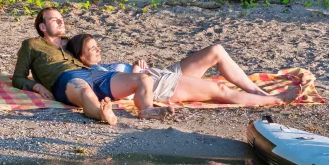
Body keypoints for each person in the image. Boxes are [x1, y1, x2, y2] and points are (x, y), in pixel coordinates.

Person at [11, 7, 167, 125]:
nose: (61, 21)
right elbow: (18, 77)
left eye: (61, 18)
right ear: (42, 27)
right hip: (65, 79)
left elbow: (91, 60)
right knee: (85, 91)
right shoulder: (31, 45)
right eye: (54, 20)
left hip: (92, 73)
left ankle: (146, 110)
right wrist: (39, 87)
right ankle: (102, 114)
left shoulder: (72, 42)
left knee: (143, 78)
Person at [65, 33, 301, 108]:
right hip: (160, 86)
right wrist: (134, 73)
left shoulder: (103, 66)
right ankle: (274, 100)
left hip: (163, 73)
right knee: (218, 88)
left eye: (97, 46)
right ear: (81, 57)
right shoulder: (90, 74)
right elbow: (118, 92)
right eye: (92, 49)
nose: (98, 50)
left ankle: (257, 92)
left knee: (216, 50)